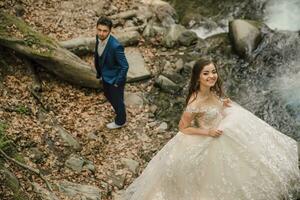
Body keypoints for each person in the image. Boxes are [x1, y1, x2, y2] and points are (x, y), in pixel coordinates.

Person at [122, 58, 300, 199]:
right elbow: (183, 127)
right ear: (198, 77)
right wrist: (207, 132)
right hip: (209, 136)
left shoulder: (212, 90)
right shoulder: (195, 101)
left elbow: (215, 105)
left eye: (213, 72)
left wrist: (223, 103)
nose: (211, 76)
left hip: (222, 130)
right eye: (206, 73)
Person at [94, 16, 129, 129]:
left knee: (117, 100)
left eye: (105, 31)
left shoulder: (116, 46)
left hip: (115, 79)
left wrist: (117, 82)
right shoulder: (98, 38)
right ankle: (118, 108)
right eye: (99, 30)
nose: (101, 33)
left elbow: (125, 66)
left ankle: (121, 121)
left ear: (110, 31)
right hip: (105, 76)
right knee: (108, 95)